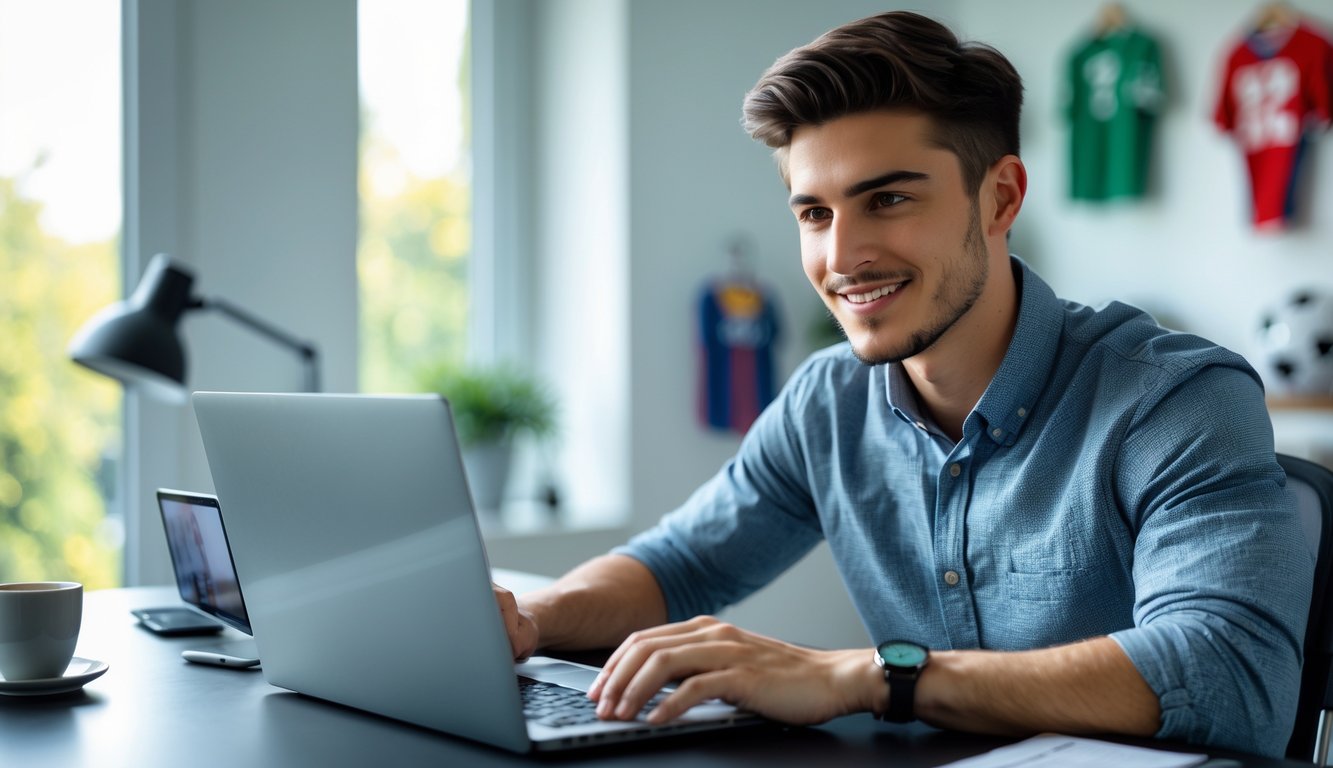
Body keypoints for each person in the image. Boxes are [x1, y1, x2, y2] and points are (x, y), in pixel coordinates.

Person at [493, 10, 1312, 758]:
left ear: (999, 197)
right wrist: (531, 621)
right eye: (813, 213)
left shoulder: (1172, 399)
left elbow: (1224, 672)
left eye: (885, 199)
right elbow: (675, 566)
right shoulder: (828, 401)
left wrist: (872, 676)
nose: (841, 257)